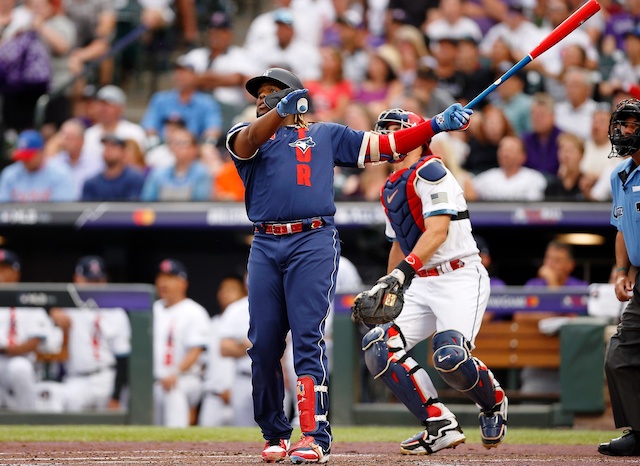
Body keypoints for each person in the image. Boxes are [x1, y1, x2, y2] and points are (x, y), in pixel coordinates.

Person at [225, 67, 472, 463]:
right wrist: (277, 111)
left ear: (295, 98)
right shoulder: (247, 133)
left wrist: (435, 125)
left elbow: (388, 145)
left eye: (272, 92)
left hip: (313, 239)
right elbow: (249, 139)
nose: (261, 98)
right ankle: (274, 431)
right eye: (259, 93)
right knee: (265, 343)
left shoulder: (325, 134)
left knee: (307, 338)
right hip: (266, 241)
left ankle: (314, 436)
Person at [358, 107, 507, 456]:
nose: (390, 139)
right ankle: (438, 422)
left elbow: (437, 232)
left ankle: (493, 400)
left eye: (397, 130)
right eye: (386, 132)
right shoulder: (392, 187)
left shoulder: (432, 170)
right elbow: (399, 243)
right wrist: (388, 284)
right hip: (422, 281)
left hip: (459, 276)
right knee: (378, 345)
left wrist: (401, 274)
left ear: (415, 135)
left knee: (449, 356)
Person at [598, 98, 640, 457]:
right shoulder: (620, 174)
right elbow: (622, 227)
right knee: (620, 356)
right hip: (639, 282)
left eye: (633, 125)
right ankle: (639, 432)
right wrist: (623, 270)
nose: (625, 131)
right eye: (623, 124)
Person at [48, 255, 131, 412]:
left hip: (107, 377)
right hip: (76, 379)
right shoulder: (66, 307)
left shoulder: (116, 312)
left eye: (97, 281)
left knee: (115, 432)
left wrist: (116, 396)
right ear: (77, 279)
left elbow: (123, 358)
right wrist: (51, 312)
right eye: (89, 280)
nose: (93, 286)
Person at [0, 249, 61, 411]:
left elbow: (35, 341)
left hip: (21, 360)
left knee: (20, 368)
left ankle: (28, 417)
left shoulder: (29, 301)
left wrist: (6, 349)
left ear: (16, 272)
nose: (0, 274)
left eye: (4, 269)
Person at [152, 258, 209, 428]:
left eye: (169, 278)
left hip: (184, 379)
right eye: (160, 277)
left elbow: (196, 349)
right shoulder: (152, 309)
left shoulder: (194, 311)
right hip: (156, 381)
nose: (163, 282)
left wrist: (175, 373)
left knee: (173, 392)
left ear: (183, 283)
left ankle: (177, 449)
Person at [198, 274, 247, 427]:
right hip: (213, 394)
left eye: (231, 290)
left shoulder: (245, 315)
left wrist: (230, 387)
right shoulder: (211, 323)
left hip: (238, 389)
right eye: (223, 290)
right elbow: (208, 361)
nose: (225, 294)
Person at [0, 129, 76, 202]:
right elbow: (3, 208)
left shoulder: (60, 173)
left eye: (28, 157)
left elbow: (64, 209)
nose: (24, 161)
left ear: (41, 152)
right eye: (22, 157)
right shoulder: (9, 174)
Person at [81, 133, 146, 201]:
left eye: (113, 146)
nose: (108, 150)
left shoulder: (135, 179)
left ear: (123, 152)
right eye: (106, 146)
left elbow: (133, 207)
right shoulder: (91, 183)